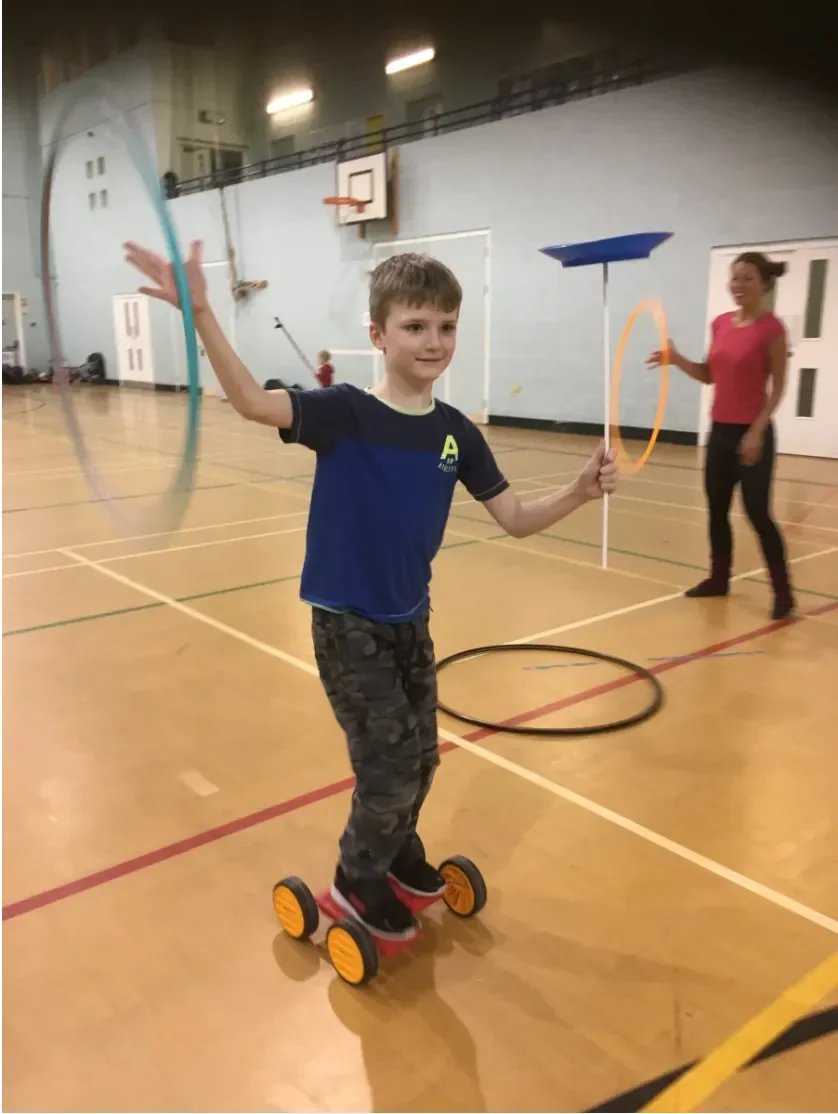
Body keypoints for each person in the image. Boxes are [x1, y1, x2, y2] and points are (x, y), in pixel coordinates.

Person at [123, 240, 619, 941]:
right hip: (347, 623)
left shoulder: (457, 435)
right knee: (386, 765)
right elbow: (246, 401)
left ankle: (397, 851)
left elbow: (514, 520)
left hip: (410, 621)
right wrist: (202, 312)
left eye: (447, 325)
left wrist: (578, 489)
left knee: (421, 756)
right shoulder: (344, 413)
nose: (434, 340)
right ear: (378, 335)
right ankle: (356, 880)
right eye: (416, 326)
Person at [648, 251, 794, 619]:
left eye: (747, 278)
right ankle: (718, 579)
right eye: (734, 278)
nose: (738, 285)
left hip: (753, 433)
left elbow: (778, 387)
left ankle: (783, 593)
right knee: (716, 510)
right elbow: (710, 375)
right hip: (720, 432)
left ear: (763, 283)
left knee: (758, 513)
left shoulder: (772, 329)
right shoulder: (721, 324)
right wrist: (676, 359)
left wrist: (757, 432)